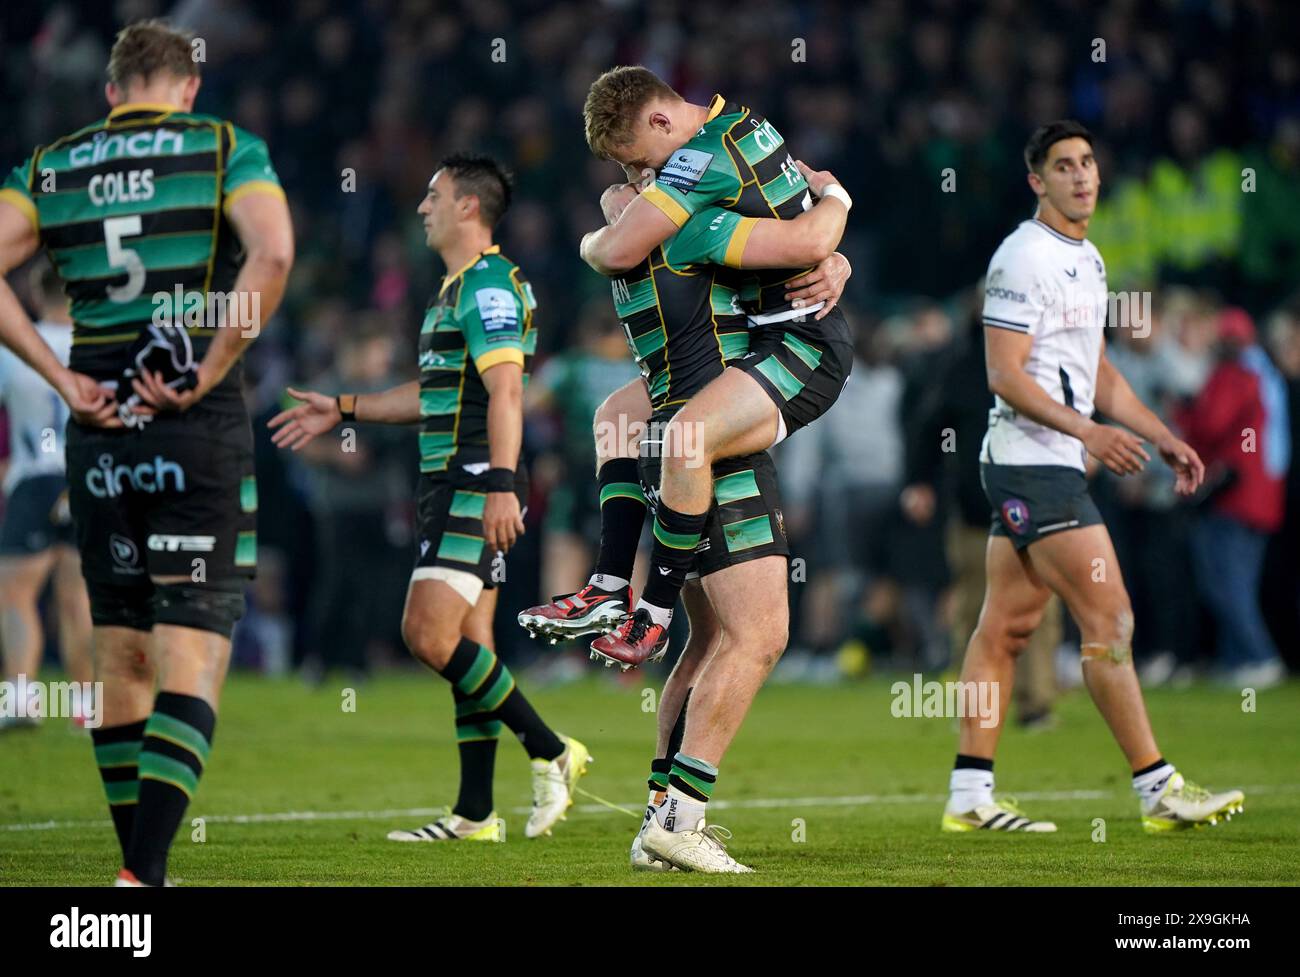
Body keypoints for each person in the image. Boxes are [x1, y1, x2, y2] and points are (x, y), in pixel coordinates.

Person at [0, 19, 293, 885]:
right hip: (191, 430)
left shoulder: (53, 165)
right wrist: (210, 368)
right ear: (189, 86)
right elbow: (273, 254)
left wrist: (57, 373)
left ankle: (138, 871)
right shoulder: (223, 146)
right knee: (190, 657)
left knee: (117, 655)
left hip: (96, 431)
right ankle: (142, 875)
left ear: (111, 92)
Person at [269, 154, 589, 843]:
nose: (422, 206)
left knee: (425, 633)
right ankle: (476, 812)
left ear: (469, 207)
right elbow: (431, 395)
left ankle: (552, 749)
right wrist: (345, 407)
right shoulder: (454, 289)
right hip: (455, 477)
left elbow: (508, 391)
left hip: (475, 478)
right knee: (470, 644)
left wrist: (503, 484)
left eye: (434, 195)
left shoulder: (491, 286)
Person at [942, 120, 1244, 835]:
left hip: (1038, 463)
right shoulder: (1021, 258)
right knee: (1111, 619)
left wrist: (1161, 434)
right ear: (1036, 181)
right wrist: (1089, 434)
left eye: (1088, 164)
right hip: (1033, 465)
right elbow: (1003, 374)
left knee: (1005, 630)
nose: (1081, 176)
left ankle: (968, 795)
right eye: (1064, 166)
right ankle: (1158, 789)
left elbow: (1099, 370)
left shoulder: (1089, 258)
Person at [574, 66, 857, 666]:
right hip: (761, 335)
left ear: (660, 121)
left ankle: (651, 612)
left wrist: (838, 202)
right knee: (619, 415)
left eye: (635, 159)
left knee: (686, 437)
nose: (638, 177)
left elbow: (621, 244)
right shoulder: (741, 130)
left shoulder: (699, 160)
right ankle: (607, 585)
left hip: (800, 344)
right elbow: (800, 219)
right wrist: (835, 238)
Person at [0, 261, 92, 731]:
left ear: (35, 295)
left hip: (33, 475)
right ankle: (87, 706)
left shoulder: (15, 347)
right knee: (78, 599)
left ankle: (21, 697)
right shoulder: (95, 347)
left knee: (16, 594)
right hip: (85, 477)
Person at [1178, 307, 1290, 689]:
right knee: (1236, 581)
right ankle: (1238, 661)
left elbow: (1213, 424)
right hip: (1260, 497)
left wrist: (1181, 409)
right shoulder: (1263, 374)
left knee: (1226, 582)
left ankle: (1259, 657)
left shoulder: (1235, 375)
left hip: (1236, 497)